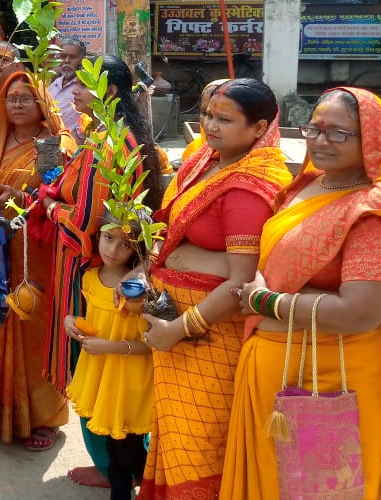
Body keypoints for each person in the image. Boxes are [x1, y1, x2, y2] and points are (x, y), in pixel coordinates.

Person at [221, 87, 381, 500]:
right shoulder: (305, 186)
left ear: (371, 139)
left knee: (327, 489)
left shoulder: (373, 209)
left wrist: (265, 301)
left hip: (334, 381)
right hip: (276, 371)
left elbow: (361, 311)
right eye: (314, 128)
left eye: (339, 133)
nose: (320, 141)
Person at [140, 78, 291, 499]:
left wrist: (181, 327)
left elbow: (242, 279)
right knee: (174, 437)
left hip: (208, 336)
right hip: (175, 324)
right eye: (208, 115)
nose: (211, 125)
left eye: (225, 119)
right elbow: (168, 229)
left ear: (260, 128)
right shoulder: (204, 161)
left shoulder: (249, 184)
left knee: (201, 443)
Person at [35, 55, 162, 490]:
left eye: (83, 85)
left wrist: (50, 205)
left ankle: (112, 468)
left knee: (88, 363)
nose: (74, 92)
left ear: (107, 92)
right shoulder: (116, 136)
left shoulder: (109, 146)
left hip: (89, 271)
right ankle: (120, 464)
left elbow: (87, 221)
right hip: (114, 269)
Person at [0, 73, 73, 448]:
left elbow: (60, 195)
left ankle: (47, 417)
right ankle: (2, 406)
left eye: (27, 97)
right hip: (0, 247)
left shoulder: (55, 144)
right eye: (11, 98)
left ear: (42, 102)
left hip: (38, 250)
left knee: (35, 328)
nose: (18, 104)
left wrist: (21, 198)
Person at [64, 216, 154, 500]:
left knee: (128, 446)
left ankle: (147, 486)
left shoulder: (138, 294)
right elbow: (90, 318)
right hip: (102, 375)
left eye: (124, 244)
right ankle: (121, 489)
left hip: (128, 378)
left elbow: (150, 345)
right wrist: (69, 320)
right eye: (108, 238)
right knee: (113, 447)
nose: (112, 250)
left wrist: (109, 348)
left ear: (137, 251)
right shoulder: (90, 278)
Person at [179, 78, 229, 163]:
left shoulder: (253, 161)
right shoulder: (193, 151)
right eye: (206, 113)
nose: (210, 125)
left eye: (223, 118)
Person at [48, 38, 87, 143]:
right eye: (63, 56)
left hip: (74, 149)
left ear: (82, 60)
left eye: (72, 57)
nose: (66, 61)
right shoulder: (53, 85)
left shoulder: (86, 89)